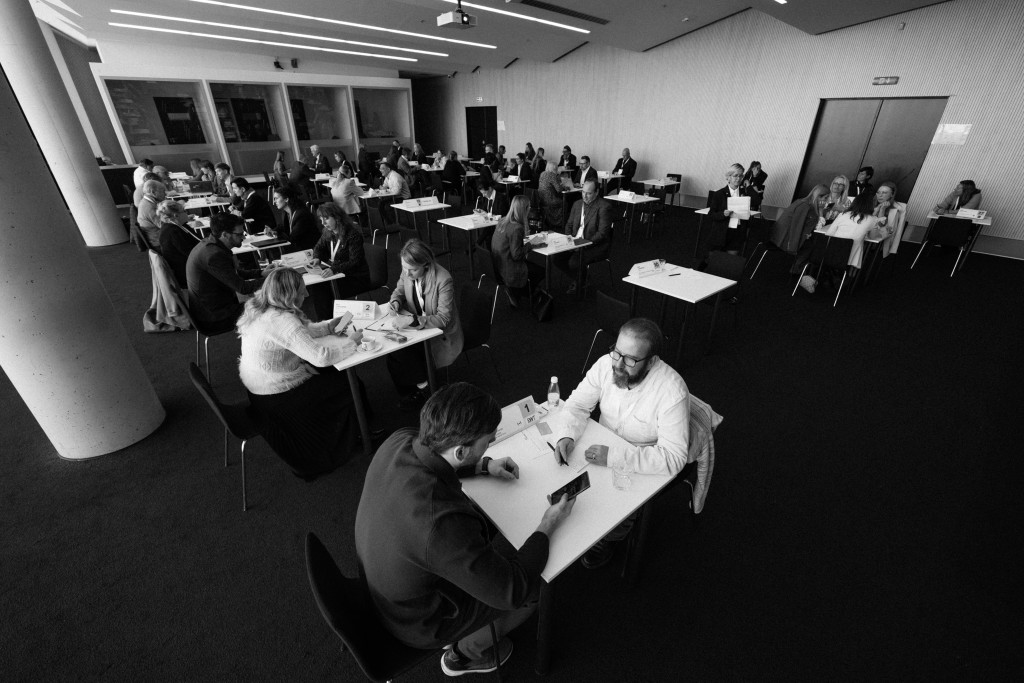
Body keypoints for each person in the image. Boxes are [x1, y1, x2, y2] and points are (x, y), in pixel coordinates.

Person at [355, 382, 575, 676]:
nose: (491, 443)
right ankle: (463, 655)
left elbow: (440, 459)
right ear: (460, 451)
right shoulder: (440, 525)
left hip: (387, 582)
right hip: (419, 622)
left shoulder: (399, 440)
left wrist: (482, 465)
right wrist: (547, 525)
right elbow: (511, 590)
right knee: (532, 591)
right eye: (488, 442)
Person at [552, 318, 689, 568]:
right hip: (600, 445)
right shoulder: (606, 364)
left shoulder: (672, 390)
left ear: (652, 361)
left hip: (642, 459)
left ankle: (615, 534)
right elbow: (577, 405)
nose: (618, 364)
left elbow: (673, 458)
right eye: (617, 352)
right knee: (563, 488)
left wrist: (613, 457)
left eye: (631, 360)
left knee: (615, 506)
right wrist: (567, 434)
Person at [236, 268, 367, 480]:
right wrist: (351, 343)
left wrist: (327, 327)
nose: (306, 294)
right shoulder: (283, 322)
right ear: (289, 295)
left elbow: (298, 333)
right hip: (277, 395)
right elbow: (321, 357)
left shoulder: (261, 307)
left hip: (259, 387)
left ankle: (356, 429)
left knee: (337, 378)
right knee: (348, 385)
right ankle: (357, 436)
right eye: (302, 291)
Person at [386, 239, 463, 409]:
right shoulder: (407, 269)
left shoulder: (443, 279)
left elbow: (443, 319)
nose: (407, 273)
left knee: (402, 352)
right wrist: (396, 301)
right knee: (393, 351)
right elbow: (399, 290)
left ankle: (426, 389)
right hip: (419, 326)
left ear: (426, 265)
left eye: (413, 270)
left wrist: (413, 321)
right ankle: (415, 389)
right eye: (404, 268)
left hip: (440, 332)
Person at [185, 213, 267, 333]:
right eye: (239, 234)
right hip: (214, 318)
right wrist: (275, 278)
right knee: (270, 307)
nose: (243, 237)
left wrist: (261, 273)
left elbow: (231, 273)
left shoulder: (209, 244)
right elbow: (243, 288)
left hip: (210, 308)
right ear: (225, 234)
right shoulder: (214, 255)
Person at [798, 190, 878, 293]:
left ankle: (822, 277)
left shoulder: (844, 214)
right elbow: (873, 237)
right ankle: (842, 282)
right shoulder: (873, 219)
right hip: (849, 258)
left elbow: (829, 233)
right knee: (858, 248)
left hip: (828, 254)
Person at [554, 179, 613, 293]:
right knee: (556, 258)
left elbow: (602, 233)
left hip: (594, 245)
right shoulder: (577, 204)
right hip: (574, 242)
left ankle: (580, 281)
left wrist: (583, 244)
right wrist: (569, 239)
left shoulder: (604, 207)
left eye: (589, 193)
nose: (584, 196)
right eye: (583, 192)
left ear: (596, 192)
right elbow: (569, 225)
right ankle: (582, 279)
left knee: (574, 262)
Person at [490, 195, 545, 306]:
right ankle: (519, 292)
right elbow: (516, 255)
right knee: (541, 271)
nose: (530, 209)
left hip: (497, 265)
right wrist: (531, 244)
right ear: (524, 210)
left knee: (534, 269)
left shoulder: (502, 221)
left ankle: (518, 291)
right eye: (529, 207)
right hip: (509, 268)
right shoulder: (517, 228)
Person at [313, 202, 371, 298]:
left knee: (324, 290)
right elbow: (319, 247)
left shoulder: (353, 234)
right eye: (321, 219)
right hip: (339, 272)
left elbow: (355, 262)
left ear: (337, 217)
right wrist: (317, 257)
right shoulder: (328, 231)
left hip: (355, 277)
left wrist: (334, 269)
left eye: (326, 218)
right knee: (318, 287)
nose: (323, 223)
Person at [704, 163, 756, 260]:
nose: (738, 178)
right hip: (721, 232)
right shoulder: (719, 194)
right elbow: (711, 215)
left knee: (730, 262)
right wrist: (723, 214)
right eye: (735, 175)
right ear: (729, 177)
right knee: (714, 261)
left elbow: (757, 201)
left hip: (737, 233)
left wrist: (749, 186)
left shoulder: (744, 192)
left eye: (741, 176)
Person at [770, 184, 829, 254]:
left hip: (796, 240)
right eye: (825, 198)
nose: (826, 201)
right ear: (819, 196)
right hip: (787, 243)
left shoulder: (806, 204)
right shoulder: (805, 206)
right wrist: (792, 250)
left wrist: (821, 210)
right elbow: (796, 228)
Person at [156, 199, 200, 287]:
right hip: (187, 273)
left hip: (186, 266)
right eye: (184, 211)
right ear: (176, 215)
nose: (187, 213)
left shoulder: (176, 226)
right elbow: (193, 253)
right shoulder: (174, 232)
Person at [272, 185, 319, 252]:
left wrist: (276, 234)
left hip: (309, 250)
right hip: (298, 248)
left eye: (276, 198)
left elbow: (293, 238)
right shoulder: (285, 212)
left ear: (286, 199)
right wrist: (273, 231)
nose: (274, 201)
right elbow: (282, 226)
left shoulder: (301, 214)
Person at [869, 181, 901, 257]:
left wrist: (882, 210)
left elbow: (881, 228)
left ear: (892, 195)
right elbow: (866, 223)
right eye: (878, 192)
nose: (880, 195)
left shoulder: (894, 211)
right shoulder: (869, 205)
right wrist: (875, 211)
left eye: (884, 193)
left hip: (877, 243)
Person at [136, 179, 167, 249]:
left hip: (157, 236)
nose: (165, 194)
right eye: (163, 191)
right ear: (153, 192)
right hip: (159, 242)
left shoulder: (146, 201)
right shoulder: (149, 207)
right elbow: (164, 225)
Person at [537, 160, 567, 231]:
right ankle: (560, 223)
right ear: (554, 168)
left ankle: (551, 221)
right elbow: (558, 189)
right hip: (550, 200)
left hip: (541, 199)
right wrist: (563, 186)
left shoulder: (542, 173)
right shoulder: (552, 175)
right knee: (565, 203)